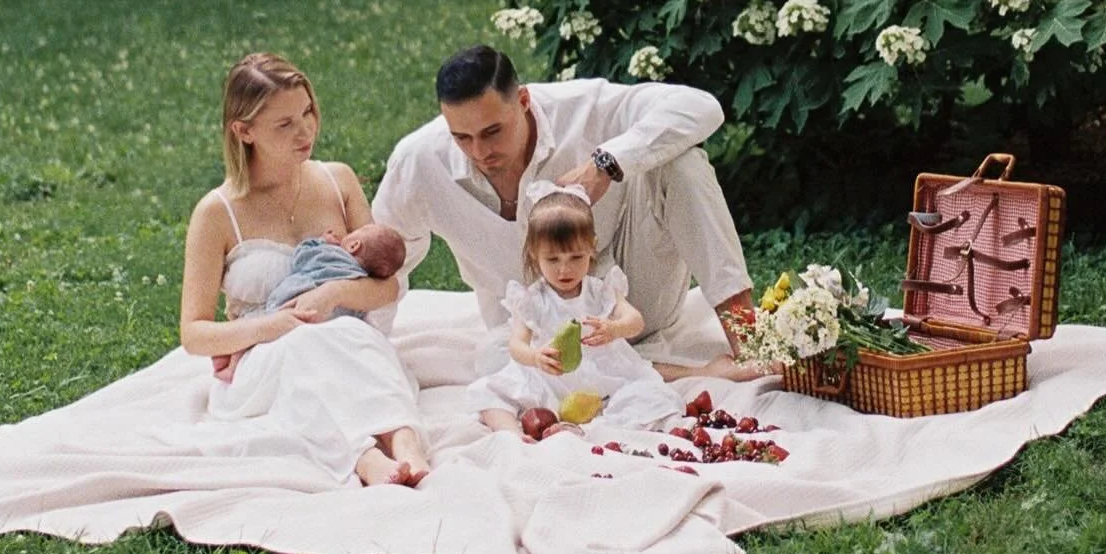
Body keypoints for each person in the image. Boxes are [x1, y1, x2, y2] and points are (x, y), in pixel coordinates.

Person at [372, 45, 755, 379]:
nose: (479, 152)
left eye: (492, 132)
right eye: (462, 138)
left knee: (682, 163)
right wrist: (364, 351)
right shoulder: (419, 160)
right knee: (499, 362)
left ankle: (751, 342)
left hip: (634, 301)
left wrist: (607, 163)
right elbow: (383, 259)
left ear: (523, 101)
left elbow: (701, 107)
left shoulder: (581, 107)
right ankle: (693, 374)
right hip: (531, 338)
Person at [181, 52, 430, 487]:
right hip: (264, 358)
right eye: (284, 124)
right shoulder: (216, 213)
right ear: (244, 131)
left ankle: (405, 439)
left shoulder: (338, 179)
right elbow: (194, 333)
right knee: (304, 347)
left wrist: (333, 295)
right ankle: (363, 456)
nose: (306, 130)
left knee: (346, 334)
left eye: (307, 112)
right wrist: (275, 325)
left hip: (347, 342)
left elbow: (385, 287)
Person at [467, 187, 680, 435]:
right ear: (535, 255)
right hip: (551, 376)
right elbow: (517, 344)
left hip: (603, 376)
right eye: (553, 260)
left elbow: (635, 321)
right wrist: (535, 356)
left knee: (651, 396)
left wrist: (615, 329)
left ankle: (600, 427)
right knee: (489, 391)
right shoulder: (532, 299)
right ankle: (511, 433)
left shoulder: (601, 290)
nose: (564, 270)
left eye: (576, 257)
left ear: (592, 249)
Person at [209, 222, 408, 383]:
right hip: (336, 324)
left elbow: (302, 257)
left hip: (294, 302)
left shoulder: (331, 254)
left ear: (354, 245)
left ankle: (235, 358)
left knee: (260, 335)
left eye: (356, 232)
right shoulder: (360, 278)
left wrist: (322, 242)